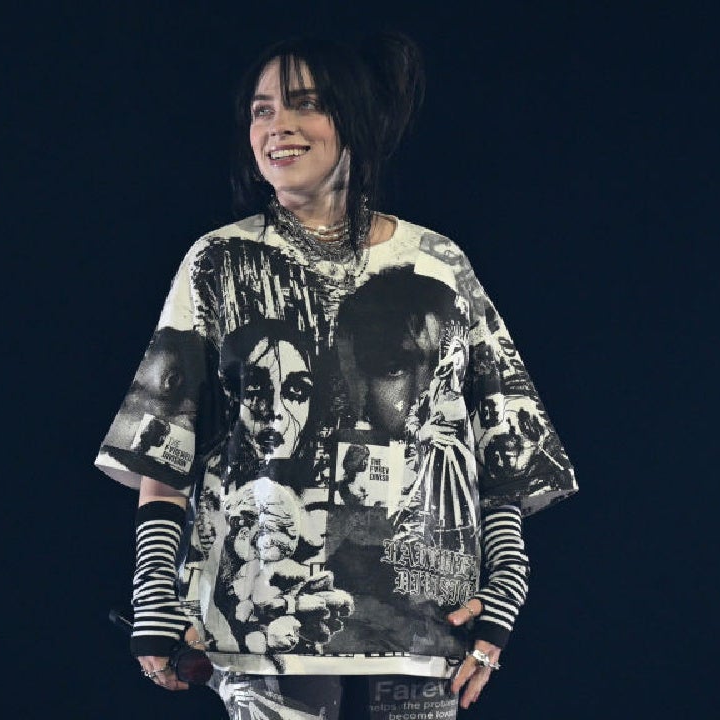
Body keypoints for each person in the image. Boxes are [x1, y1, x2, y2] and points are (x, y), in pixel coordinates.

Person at [94, 32, 578, 719]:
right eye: (262, 110)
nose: (277, 126)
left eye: (305, 105)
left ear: (355, 120)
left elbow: (501, 446)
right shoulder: (218, 263)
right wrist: (152, 598)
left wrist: (503, 597)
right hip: (262, 623)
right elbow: (162, 451)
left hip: (423, 625)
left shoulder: (438, 266)